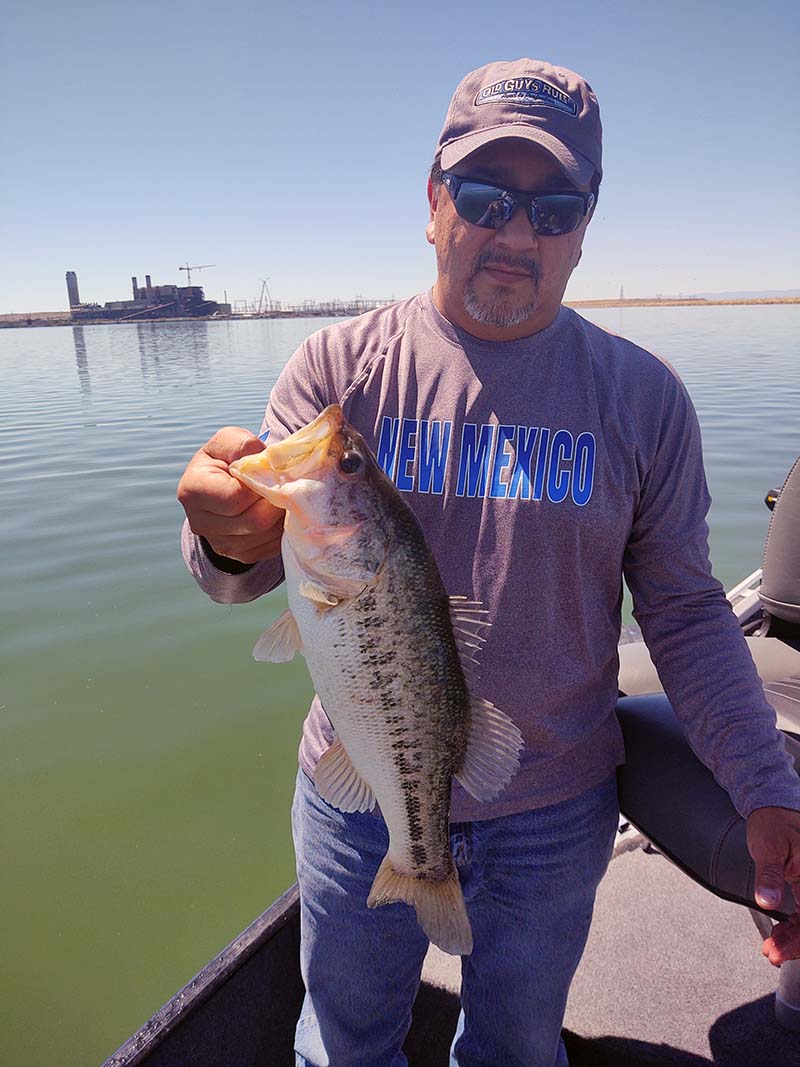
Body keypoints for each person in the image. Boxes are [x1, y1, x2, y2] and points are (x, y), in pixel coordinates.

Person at [177, 58, 800, 1067]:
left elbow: (686, 613)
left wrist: (766, 790)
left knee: (516, 1049)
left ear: (585, 227)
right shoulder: (337, 372)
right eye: (484, 197)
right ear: (432, 202)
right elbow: (236, 573)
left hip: (556, 803)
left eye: (553, 208)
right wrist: (221, 536)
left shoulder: (643, 399)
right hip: (356, 796)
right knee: (341, 1047)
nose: (516, 233)